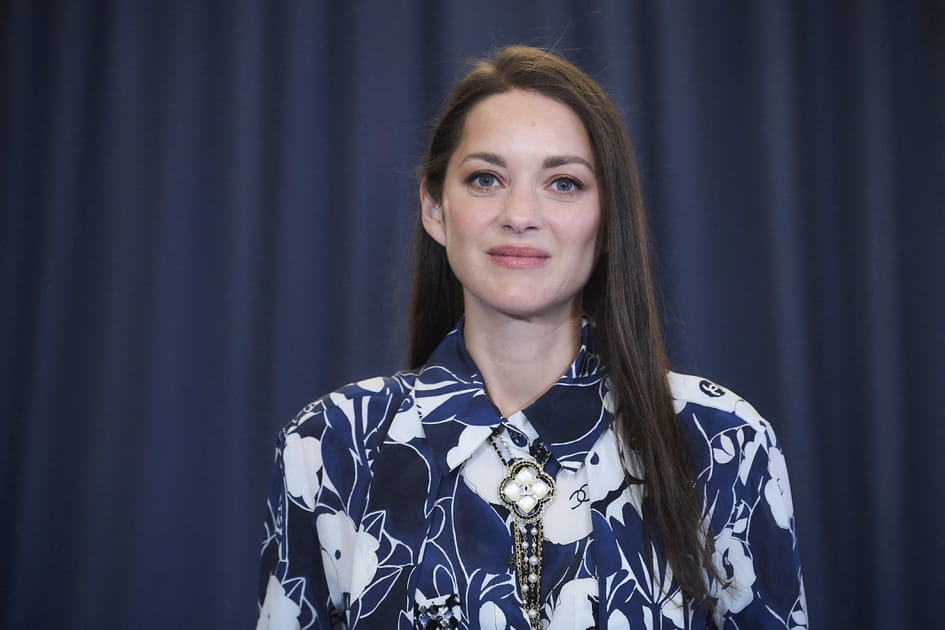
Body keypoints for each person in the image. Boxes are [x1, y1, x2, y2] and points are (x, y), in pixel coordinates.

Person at [256, 45, 806, 630]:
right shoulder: (331, 447)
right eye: (486, 179)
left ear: (608, 218)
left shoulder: (721, 443)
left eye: (563, 183)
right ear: (435, 208)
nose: (520, 213)